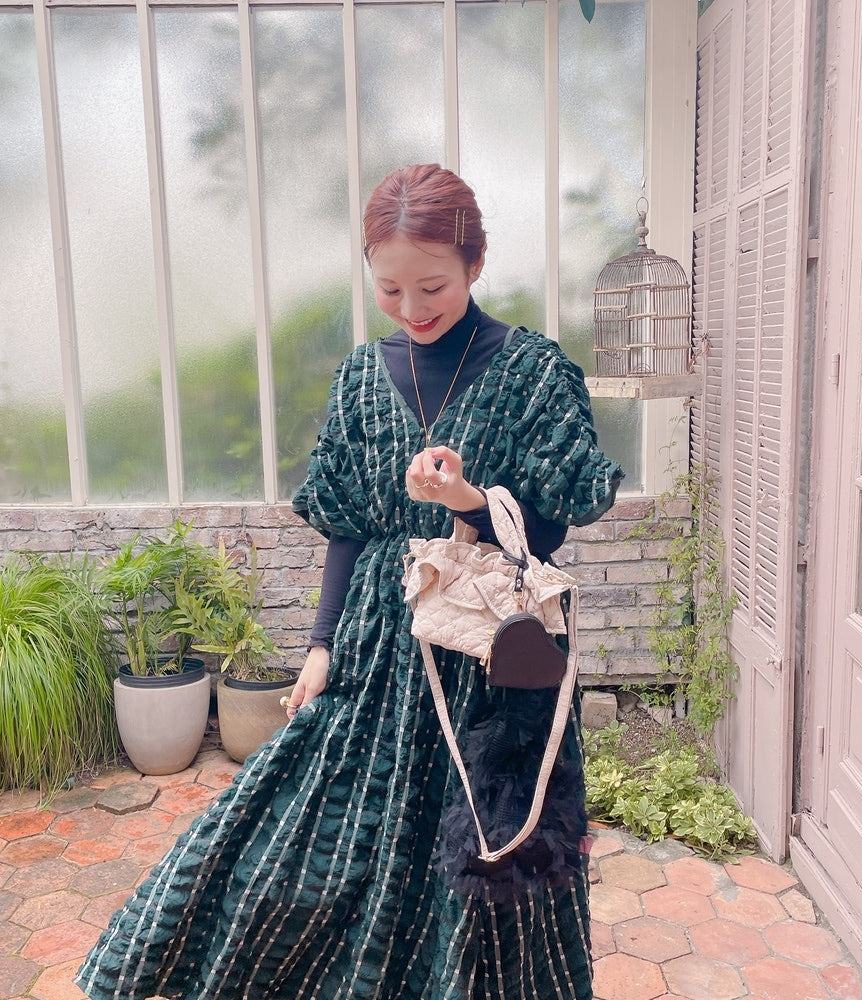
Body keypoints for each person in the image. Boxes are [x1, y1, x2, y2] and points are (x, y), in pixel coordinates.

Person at [75, 163, 622, 1000]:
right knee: (293, 837)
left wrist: (468, 500)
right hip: (374, 646)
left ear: (475, 264)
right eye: (389, 288)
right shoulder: (362, 377)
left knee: (488, 864)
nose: (412, 307)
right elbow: (346, 526)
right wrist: (321, 645)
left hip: (488, 664)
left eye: (432, 286)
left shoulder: (534, 371)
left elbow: (548, 529)